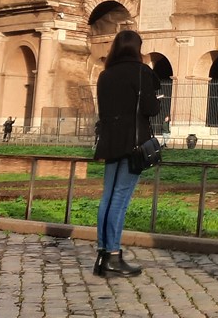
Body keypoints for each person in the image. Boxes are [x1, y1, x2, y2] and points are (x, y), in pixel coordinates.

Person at [91, 30, 160, 278]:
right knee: (120, 199)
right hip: (134, 143)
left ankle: (102, 253)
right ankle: (113, 255)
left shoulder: (105, 75)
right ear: (137, 48)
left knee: (107, 197)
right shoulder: (142, 73)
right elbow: (152, 109)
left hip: (110, 141)